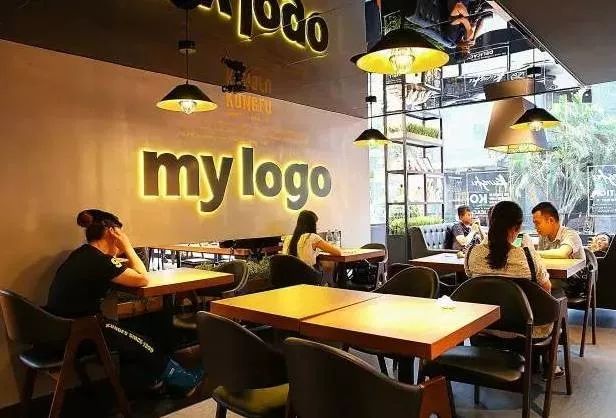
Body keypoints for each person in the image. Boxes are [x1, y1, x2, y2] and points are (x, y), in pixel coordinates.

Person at [46, 209, 201, 397]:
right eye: (120, 234)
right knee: (143, 342)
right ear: (111, 233)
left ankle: (149, 380)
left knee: (135, 332)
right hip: (81, 332)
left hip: (59, 330)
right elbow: (143, 278)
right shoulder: (100, 261)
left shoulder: (82, 254)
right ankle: (183, 382)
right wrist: (127, 246)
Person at [465, 201, 552, 334]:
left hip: (484, 328)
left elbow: (472, 283)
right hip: (526, 331)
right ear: (517, 228)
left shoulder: (472, 253)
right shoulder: (527, 256)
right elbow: (546, 288)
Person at [532, 202, 587, 297]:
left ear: (551, 220)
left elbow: (562, 253)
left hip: (574, 282)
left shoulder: (570, 234)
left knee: (536, 285)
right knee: (531, 283)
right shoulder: (543, 237)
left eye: (537, 223)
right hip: (553, 277)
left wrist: (533, 253)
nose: (535, 227)